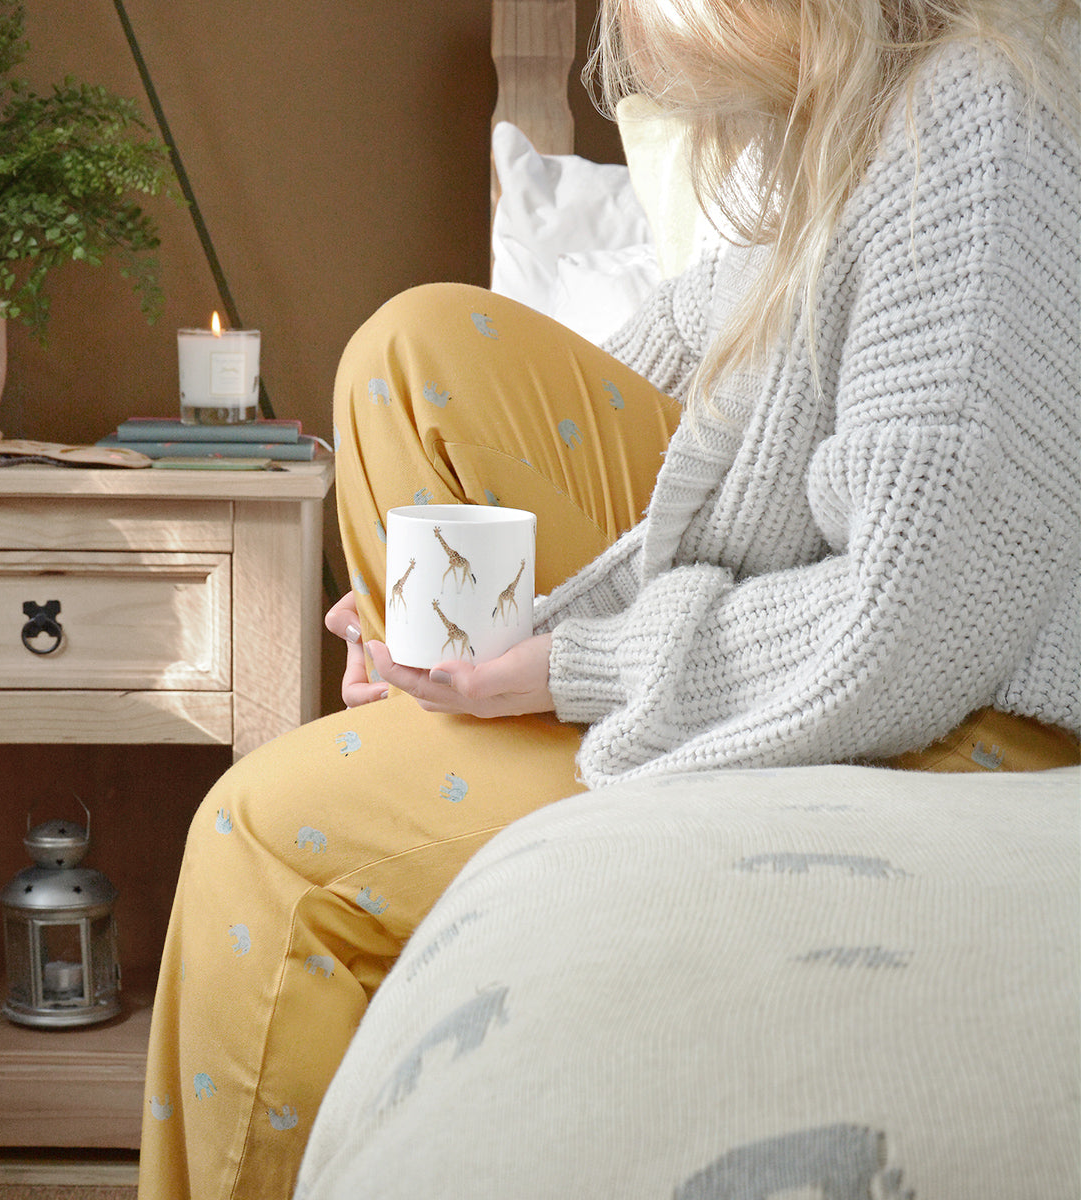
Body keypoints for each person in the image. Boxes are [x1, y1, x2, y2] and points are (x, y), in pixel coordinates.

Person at [137, 0, 1079, 1195]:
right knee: (410, 351)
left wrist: (566, 663)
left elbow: (907, 631)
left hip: (948, 731)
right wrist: (440, 623)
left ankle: (435, 749)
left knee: (261, 838)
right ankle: (432, 707)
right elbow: (680, 350)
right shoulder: (860, 124)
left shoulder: (975, 123)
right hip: (825, 655)